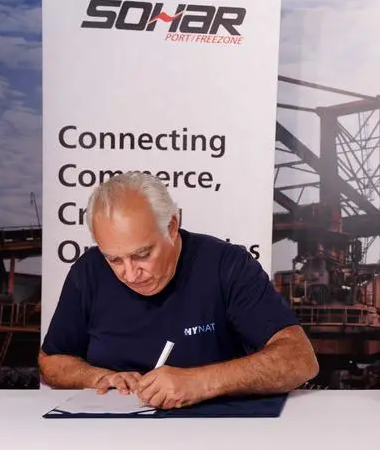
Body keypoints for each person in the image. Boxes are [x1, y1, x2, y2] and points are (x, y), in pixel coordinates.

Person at [39, 171, 319, 409]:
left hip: (214, 439)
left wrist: (200, 382)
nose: (130, 274)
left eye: (142, 255)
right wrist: (99, 378)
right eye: (114, 260)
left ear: (172, 227)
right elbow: (51, 363)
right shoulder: (88, 271)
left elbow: (300, 359)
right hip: (112, 440)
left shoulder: (226, 265)